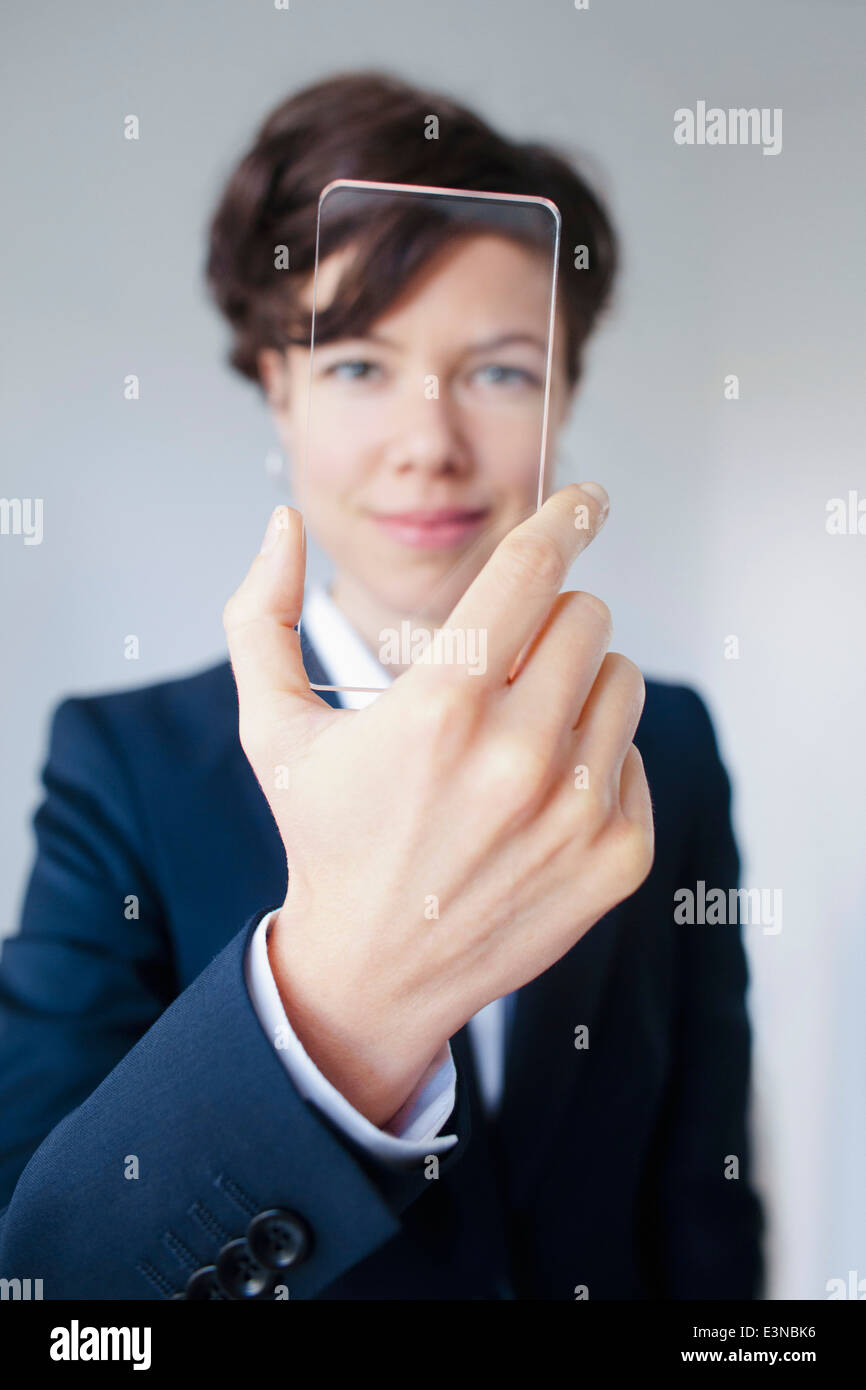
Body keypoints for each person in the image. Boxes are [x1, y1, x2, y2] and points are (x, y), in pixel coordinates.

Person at [0, 70, 764, 1300]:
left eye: (501, 371)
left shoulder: (658, 743)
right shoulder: (123, 768)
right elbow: (45, 1281)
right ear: (277, 387)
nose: (428, 445)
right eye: (357, 366)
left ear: (564, 391)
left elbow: (703, 1198)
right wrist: (345, 1009)